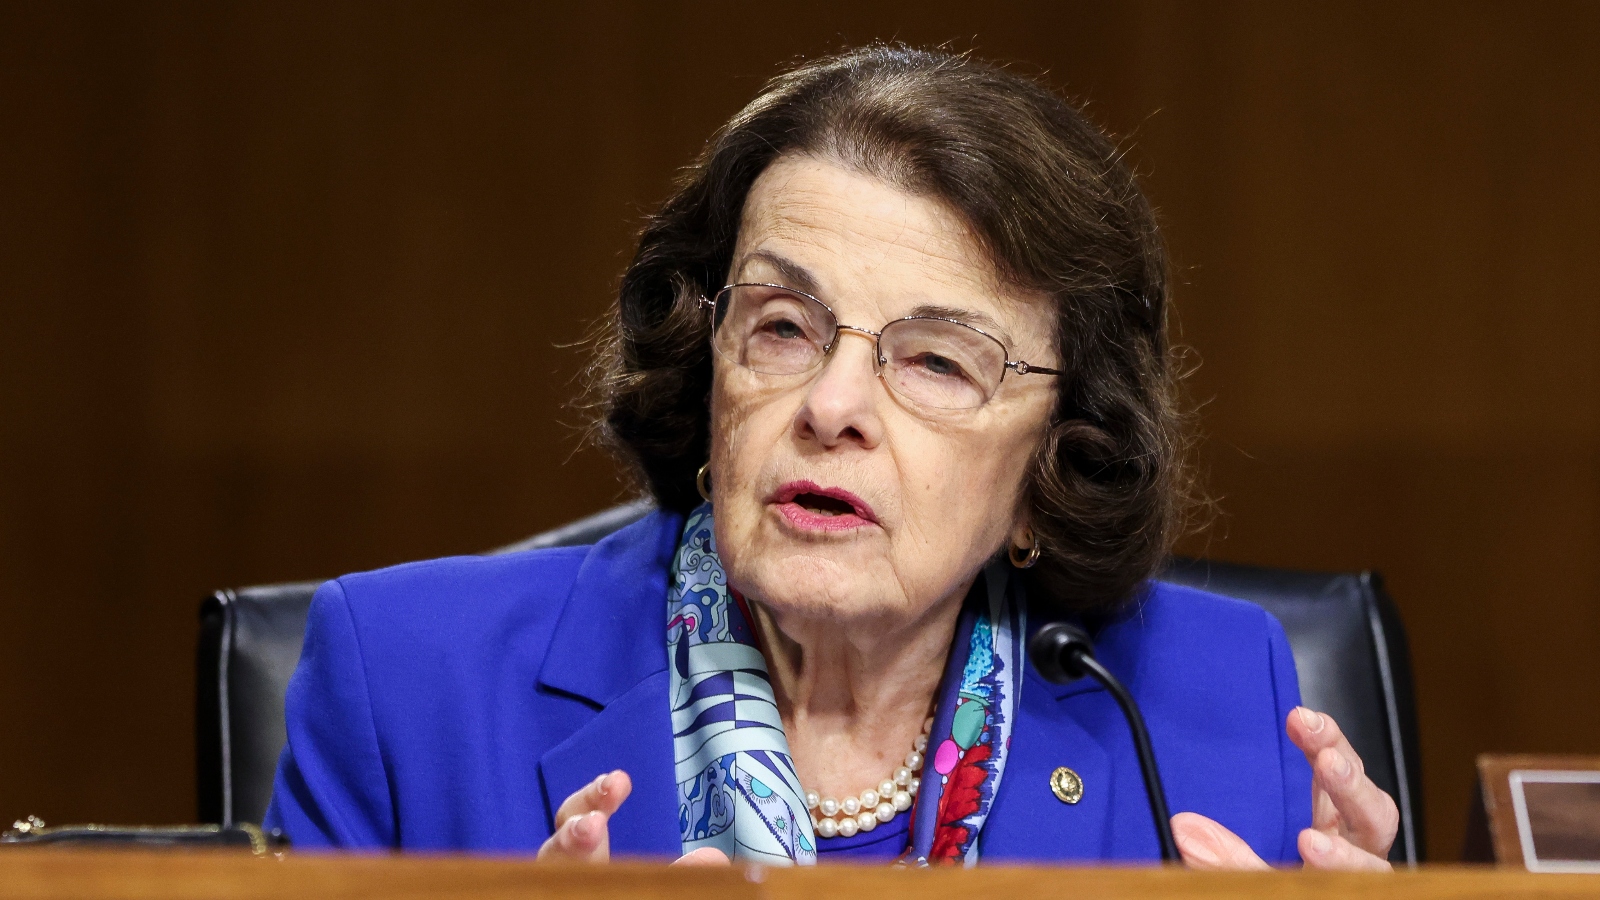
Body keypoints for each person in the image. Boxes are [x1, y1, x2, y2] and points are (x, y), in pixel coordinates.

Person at [263, 45, 1398, 870]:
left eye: (938, 363)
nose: (833, 405)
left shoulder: (1206, 702)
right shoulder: (407, 684)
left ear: (1055, 461)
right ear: (705, 361)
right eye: (784, 328)